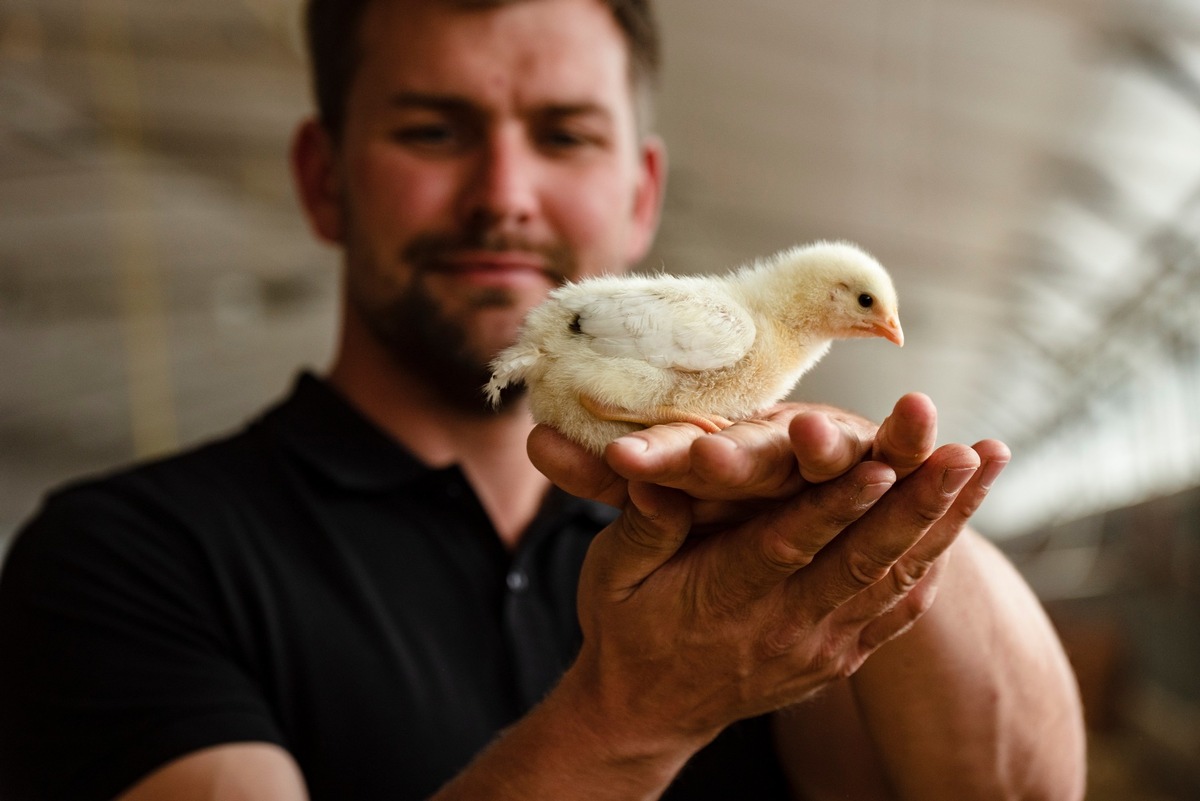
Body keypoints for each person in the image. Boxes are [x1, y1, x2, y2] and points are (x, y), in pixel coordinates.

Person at [0, 0, 1087, 799]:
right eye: (433, 129)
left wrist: (895, 522)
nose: (503, 198)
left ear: (642, 192)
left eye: (564, 134)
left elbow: (1017, 791)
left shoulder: (765, 525)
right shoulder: (126, 560)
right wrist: (640, 708)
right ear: (324, 178)